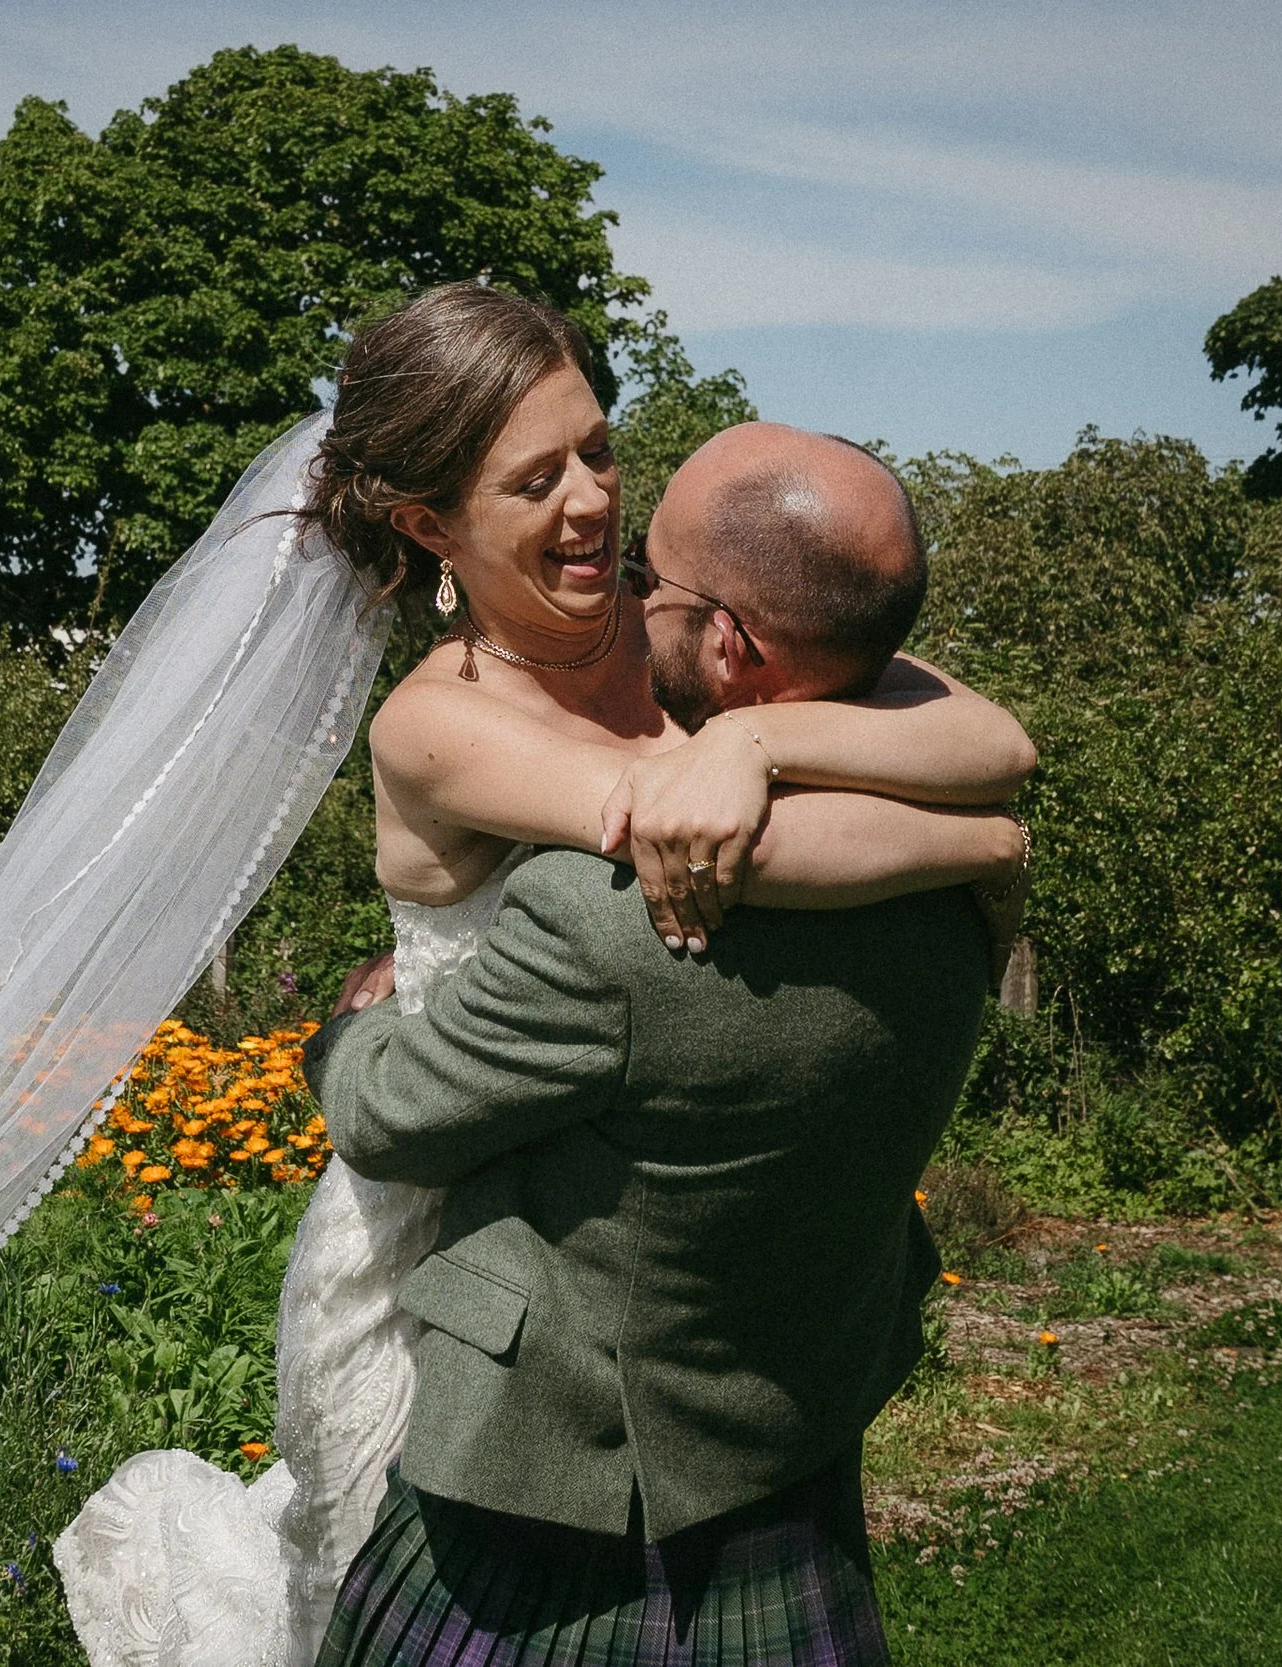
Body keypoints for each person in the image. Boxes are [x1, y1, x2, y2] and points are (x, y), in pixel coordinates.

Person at [54, 283, 1028, 1667]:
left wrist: (756, 747)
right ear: (428, 525)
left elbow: (988, 730)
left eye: (599, 450)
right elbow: (704, 845)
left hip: (641, 1196)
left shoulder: (675, 610)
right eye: (536, 477)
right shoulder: (443, 721)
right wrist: (973, 842)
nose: (593, 505)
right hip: (446, 1232)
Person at [295, 404, 1000, 1664]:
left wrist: (346, 1032)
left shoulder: (601, 915)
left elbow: (390, 1115)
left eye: (654, 578)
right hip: (795, 1423)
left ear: (730, 642)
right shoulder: (944, 856)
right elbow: (995, 740)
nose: (616, 555)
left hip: (557, 1480)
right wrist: (984, 839)